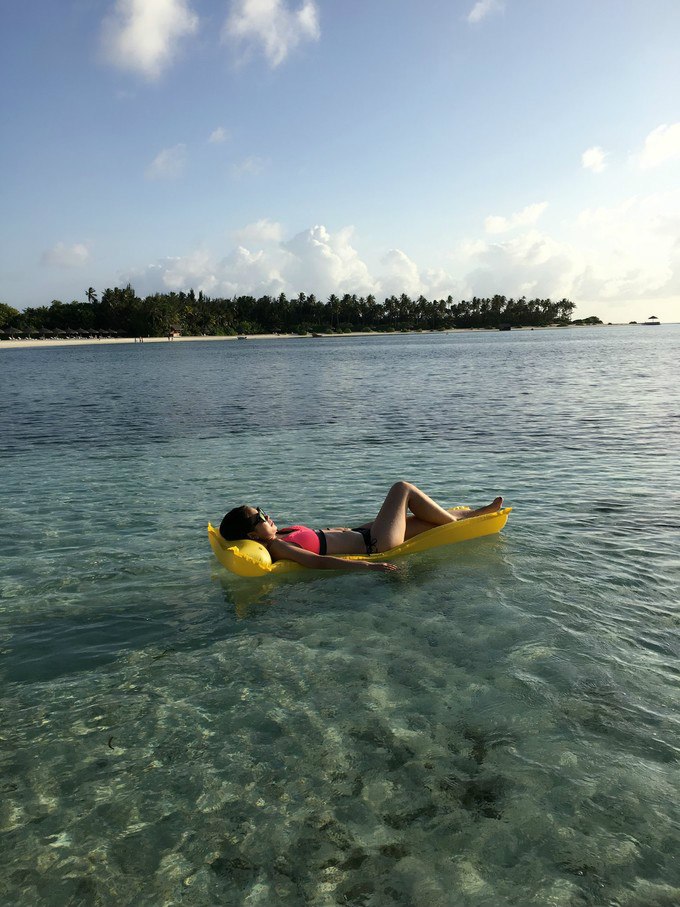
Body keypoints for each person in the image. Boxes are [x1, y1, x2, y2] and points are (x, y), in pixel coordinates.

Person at [219, 481, 503, 574]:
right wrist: (369, 568)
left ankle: (478, 514)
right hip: (373, 546)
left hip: (364, 533)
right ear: (252, 536)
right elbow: (319, 562)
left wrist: (354, 528)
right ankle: (462, 519)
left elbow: (324, 537)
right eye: (260, 519)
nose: (267, 517)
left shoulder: (279, 533)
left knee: (427, 522)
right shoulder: (278, 546)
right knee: (401, 489)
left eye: (263, 512)